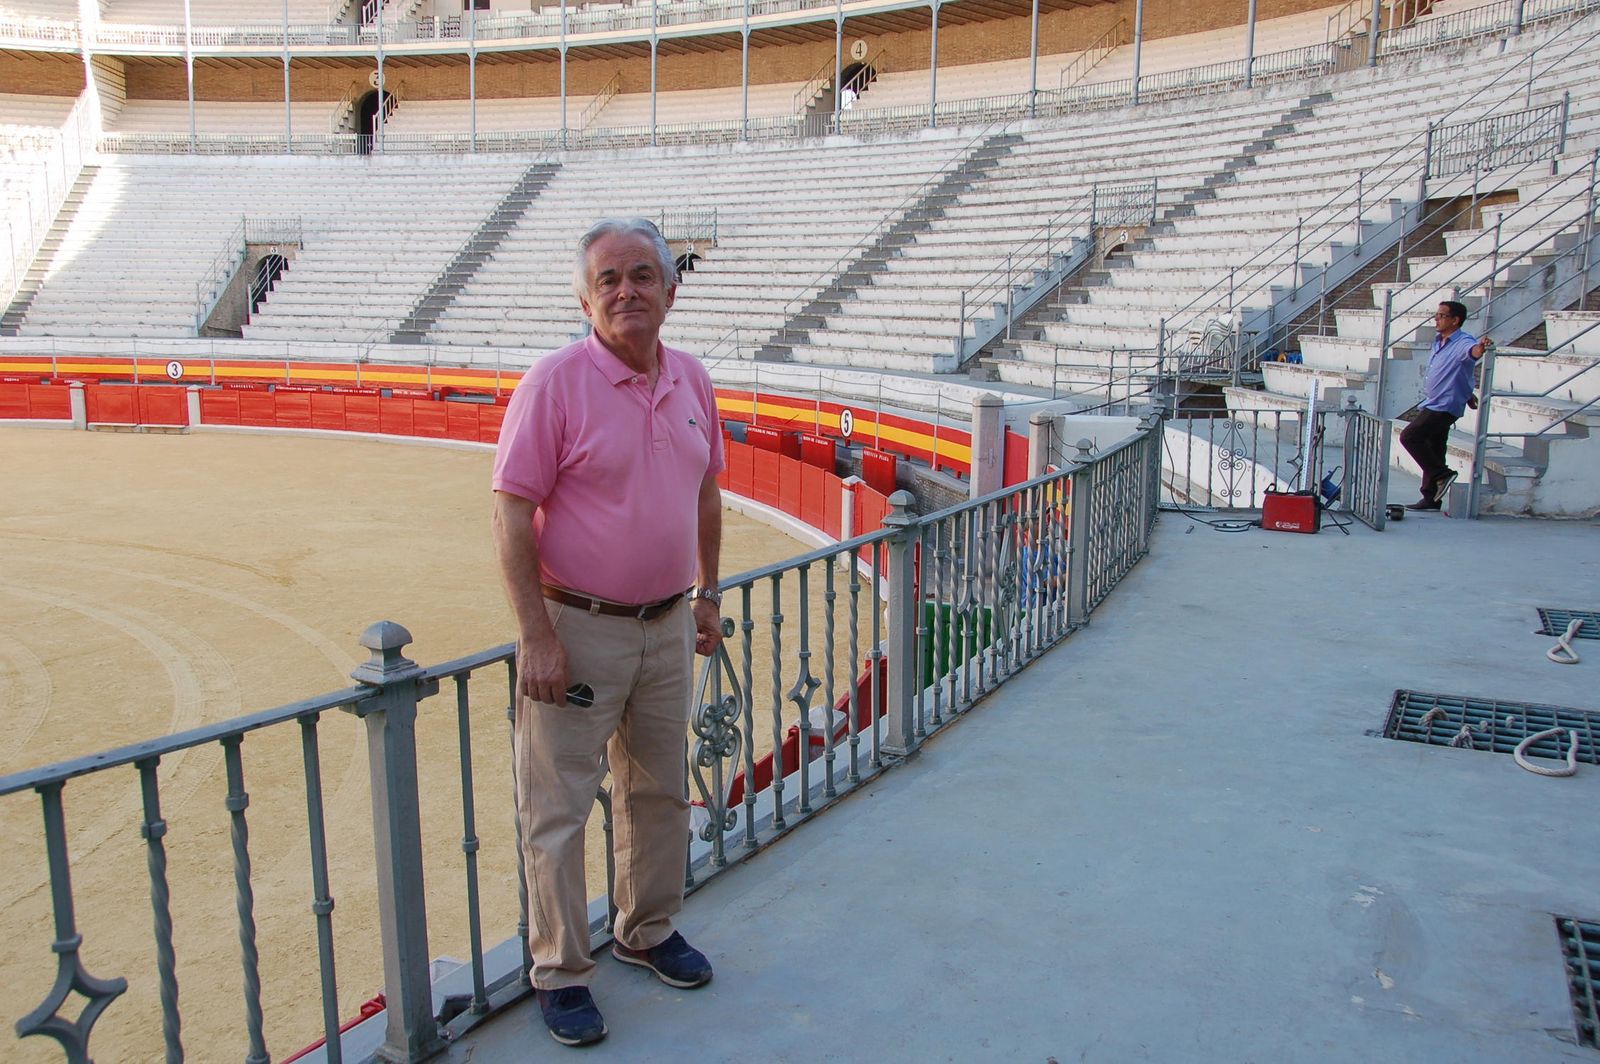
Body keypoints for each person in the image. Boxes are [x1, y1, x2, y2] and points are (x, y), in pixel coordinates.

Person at [491, 217, 726, 1047]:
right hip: (577, 629)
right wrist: (536, 635)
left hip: (667, 625)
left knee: (658, 788)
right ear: (585, 299)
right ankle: (559, 968)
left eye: (641, 275)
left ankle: (647, 930)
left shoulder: (692, 379)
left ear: (670, 288)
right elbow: (513, 513)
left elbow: (704, 495)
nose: (626, 290)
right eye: (607, 280)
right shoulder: (553, 384)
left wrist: (707, 593)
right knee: (556, 807)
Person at [1398, 300, 1488, 511]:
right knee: (1435, 447)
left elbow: (1472, 353)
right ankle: (1431, 498)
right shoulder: (1439, 341)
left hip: (1443, 405)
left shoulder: (1463, 341)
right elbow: (1458, 372)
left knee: (1410, 437)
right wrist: (1467, 394)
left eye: (1441, 316)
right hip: (1437, 400)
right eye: (1436, 315)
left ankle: (1442, 475)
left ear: (1455, 320)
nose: (1436, 319)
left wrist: (1481, 348)